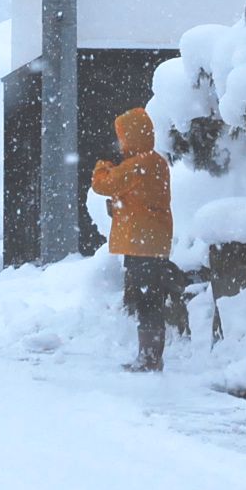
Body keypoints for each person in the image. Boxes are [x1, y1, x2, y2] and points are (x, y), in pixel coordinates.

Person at [91, 107, 175, 372]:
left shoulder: (140, 164)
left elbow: (103, 185)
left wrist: (102, 166)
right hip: (151, 240)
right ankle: (149, 356)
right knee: (150, 298)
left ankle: (149, 359)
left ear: (132, 136)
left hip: (143, 243)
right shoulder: (155, 161)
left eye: (122, 137)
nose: (120, 143)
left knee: (147, 300)